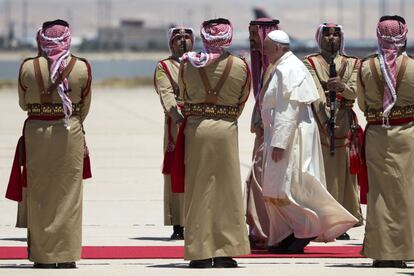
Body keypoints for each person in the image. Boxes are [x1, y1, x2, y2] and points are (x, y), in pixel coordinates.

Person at [261, 30, 358, 254]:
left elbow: (289, 109)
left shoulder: (289, 68)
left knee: (287, 187)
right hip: (285, 135)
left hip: (291, 137)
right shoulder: (285, 65)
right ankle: (289, 234)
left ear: (277, 47)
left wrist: (279, 142)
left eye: (267, 47)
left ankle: (308, 229)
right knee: (280, 188)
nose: (263, 51)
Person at [5, 19, 92, 269]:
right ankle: (66, 256)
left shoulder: (27, 67)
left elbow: (23, 104)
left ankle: (42, 257)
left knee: (39, 194)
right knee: (68, 195)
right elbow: (84, 107)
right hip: (69, 132)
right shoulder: (81, 67)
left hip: (36, 133)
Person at [174, 18, 251, 268]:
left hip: (197, 130)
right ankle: (224, 250)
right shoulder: (240, 66)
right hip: (226, 129)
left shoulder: (188, 65)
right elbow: (243, 99)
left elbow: (183, 94)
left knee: (198, 190)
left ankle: (199, 252)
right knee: (227, 192)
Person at [357, 15, 414, 268]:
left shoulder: (366, 67)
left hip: (377, 135)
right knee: (405, 193)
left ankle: (381, 252)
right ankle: (402, 250)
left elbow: (361, 103)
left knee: (379, 194)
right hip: (408, 135)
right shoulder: (412, 67)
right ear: (404, 36)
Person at [303, 23, 363, 240]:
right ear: (319, 38)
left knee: (343, 174)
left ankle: (341, 222)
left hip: (345, 124)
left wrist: (341, 88)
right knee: (320, 173)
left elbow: (354, 92)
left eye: (336, 34)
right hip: (319, 124)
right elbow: (314, 91)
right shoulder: (310, 62)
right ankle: (321, 221)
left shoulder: (354, 63)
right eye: (326, 34)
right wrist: (324, 117)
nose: (331, 38)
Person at [153, 27, 194, 240]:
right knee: (175, 172)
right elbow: (166, 94)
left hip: (198, 121)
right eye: (178, 38)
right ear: (171, 43)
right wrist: (178, 116)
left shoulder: (199, 62)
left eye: (187, 38)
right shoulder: (164, 67)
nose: (183, 42)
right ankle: (178, 223)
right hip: (176, 125)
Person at [245, 18, 279, 249]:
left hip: (274, 137)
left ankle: (265, 232)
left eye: (255, 34)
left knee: (260, 182)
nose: (251, 39)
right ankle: (260, 230)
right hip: (263, 135)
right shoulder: (261, 66)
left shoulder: (277, 68)